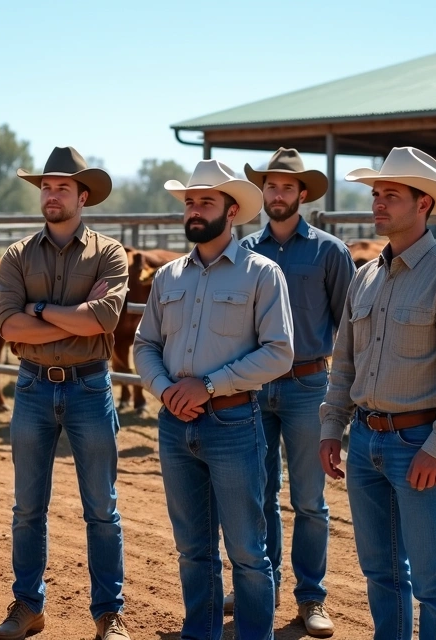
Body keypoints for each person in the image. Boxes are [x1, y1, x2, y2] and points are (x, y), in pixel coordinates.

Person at [319, 146, 436, 640]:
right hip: (366, 443)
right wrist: (332, 427)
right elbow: (344, 361)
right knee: (381, 573)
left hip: (419, 444)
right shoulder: (365, 277)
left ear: (424, 204)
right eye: (376, 193)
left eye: (391, 194)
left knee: (434, 581)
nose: (378, 202)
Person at [133, 159, 294, 640]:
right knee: (192, 548)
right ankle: (199, 633)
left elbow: (280, 353)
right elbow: (145, 345)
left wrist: (205, 386)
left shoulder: (261, 273)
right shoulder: (168, 278)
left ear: (232, 209)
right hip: (174, 425)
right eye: (189, 202)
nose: (195, 210)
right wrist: (164, 389)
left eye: (206, 201)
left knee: (246, 549)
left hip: (233, 424)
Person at [0, 146, 131, 640]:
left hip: (90, 385)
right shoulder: (17, 254)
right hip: (32, 386)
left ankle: (108, 613)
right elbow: (8, 327)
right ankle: (28, 606)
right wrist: (74, 319)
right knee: (27, 507)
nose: (52, 195)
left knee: (102, 508)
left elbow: (107, 318)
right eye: (47, 187)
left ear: (82, 195)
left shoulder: (109, 253)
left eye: (62, 187)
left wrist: (42, 310)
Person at [236, 148, 354, 637]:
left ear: (302, 194)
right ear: (262, 193)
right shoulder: (243, 251)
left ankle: (311, 597)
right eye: (270, 186)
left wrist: (348, 396)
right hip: (254, 386)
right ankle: (260, 588)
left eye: (287, 186)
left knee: (309, 500)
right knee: (256, 493)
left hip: (309, 384)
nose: (277, 194)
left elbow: (351, 325)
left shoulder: (330, 251)